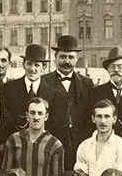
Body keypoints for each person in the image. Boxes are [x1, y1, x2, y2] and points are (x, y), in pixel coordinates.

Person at [0, 95, 66, 176]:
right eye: (32, 113)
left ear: (46, 116)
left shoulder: (55, 145)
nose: (36, 117)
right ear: (27, 116)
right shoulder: (14, 139)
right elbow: (5, 172)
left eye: (40, 113)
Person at [38, 34, 95, 163]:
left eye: (71, 57)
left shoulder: (87, 83)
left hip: (80, 145)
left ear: (77, 59)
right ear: (55, 57)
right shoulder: (43, 81)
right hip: (51, 144)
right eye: (63, 56)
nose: (67, 61)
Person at [74, 97, 122, 176]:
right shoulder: (84, 146)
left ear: (114, 119)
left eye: (107, 116)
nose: (103, 121)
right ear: (93, 118)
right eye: (99, 116)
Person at [0, 42, 47, 152]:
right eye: (29, 64)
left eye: (37, 65)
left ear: (44, 67)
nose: (32, 69)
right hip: (13, 147)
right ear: (24, 64)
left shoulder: (53, 93)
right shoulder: (7, 89)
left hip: (42, 149)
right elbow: (3, 120)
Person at [96, 46, 122, 133]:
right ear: (107, 69)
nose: (116, 70)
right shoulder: (96, 92)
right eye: (112, 67)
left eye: (120, 66)